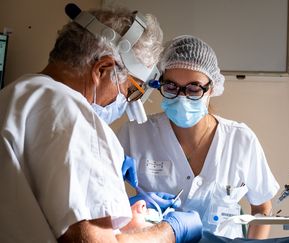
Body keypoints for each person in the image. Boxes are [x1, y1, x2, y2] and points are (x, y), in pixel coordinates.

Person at [0, 5, 202, 243]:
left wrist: (104, 206)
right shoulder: (76, 118)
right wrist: (170, 231)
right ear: (103, 69)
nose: (126, 102)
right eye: (130, 90)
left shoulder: (14, 94)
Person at [117, 35, 280, 239]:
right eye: (171, 87)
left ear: (211, 88)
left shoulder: (240, 140)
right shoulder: (135, 134)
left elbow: (262, 208)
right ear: (160, 85)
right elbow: (105, 203)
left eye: (194, 89)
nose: (182, 97)